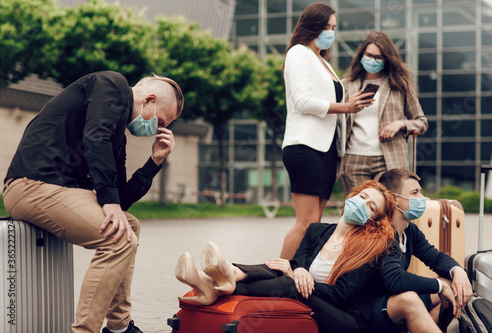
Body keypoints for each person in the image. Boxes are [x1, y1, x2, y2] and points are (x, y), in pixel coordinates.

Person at [3, 71, 184, 333]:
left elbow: (119, 201)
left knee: (128, 227)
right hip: (31, 185)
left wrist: (154, 162)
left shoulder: (116, 136)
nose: (158, 130)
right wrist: (108, 201)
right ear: (149, 101)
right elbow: (95, 138)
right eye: (161, 122)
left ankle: (119, 327)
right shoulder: (111, 84)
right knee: (119, 239)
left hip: (56, 190)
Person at [175, 180, 402, 333]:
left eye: (371, 207)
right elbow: (295, 264)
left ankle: (216, 282)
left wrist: (302, 279)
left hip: (345, 318)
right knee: (281, 266)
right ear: (352, 196)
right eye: (362, 197)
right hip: (311, 298)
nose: (362, 204)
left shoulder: (368, 247)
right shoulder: (316, 231)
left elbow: (342, 295)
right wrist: (297, 271)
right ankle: (227, 274)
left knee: (291, 282)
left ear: (372, 220)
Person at [280, 2, 376, 259]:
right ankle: (276, 275)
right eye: (326, 27)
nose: (330, 32)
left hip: (325, 150)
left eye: (333, 27)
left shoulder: (323, 62)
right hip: (305, 146)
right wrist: (346, 107)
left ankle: (295, 277)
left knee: (315, 224)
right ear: (311, 25)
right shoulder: (298, 53)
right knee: (306, 223)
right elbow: (302, 101)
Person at [367, 168, 473, 332]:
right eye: (415, 192)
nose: (422, 198)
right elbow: (395, 280)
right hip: (370, 308)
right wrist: (439, 285)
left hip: (393, 302)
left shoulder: (409, 231)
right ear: (395, 199)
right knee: (412, 298)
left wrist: (458, 271)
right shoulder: (380, 232)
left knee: (454, 287)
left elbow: (436, 258)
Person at [339, 30, 428, 196]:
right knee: (359, 214)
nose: (372, 60)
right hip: (353, 159)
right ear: (361, 55)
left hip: (389, 159)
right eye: (369, 55)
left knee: (389, 211)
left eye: (378, 57)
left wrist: (400, 124)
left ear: (387, 59)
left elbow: (421, 121)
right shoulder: (346, 85)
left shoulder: (399, 84)